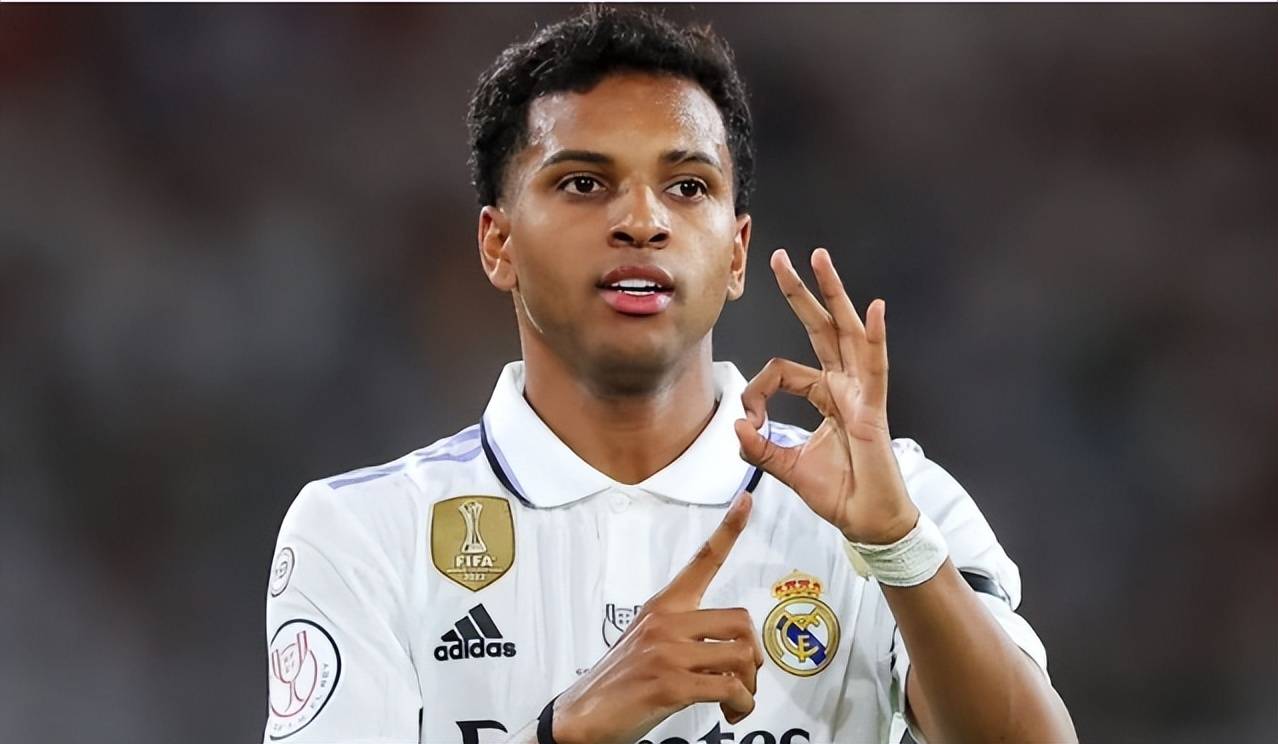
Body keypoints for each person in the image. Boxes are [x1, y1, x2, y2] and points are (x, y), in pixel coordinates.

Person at [263, 7, 1077, 744]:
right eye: (585, 183)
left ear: (737, 252)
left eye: (688, 187)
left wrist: (897, 547)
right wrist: (568, 733)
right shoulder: (364, 534)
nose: (643, 221)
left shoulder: (895, 503)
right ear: (497, 244)